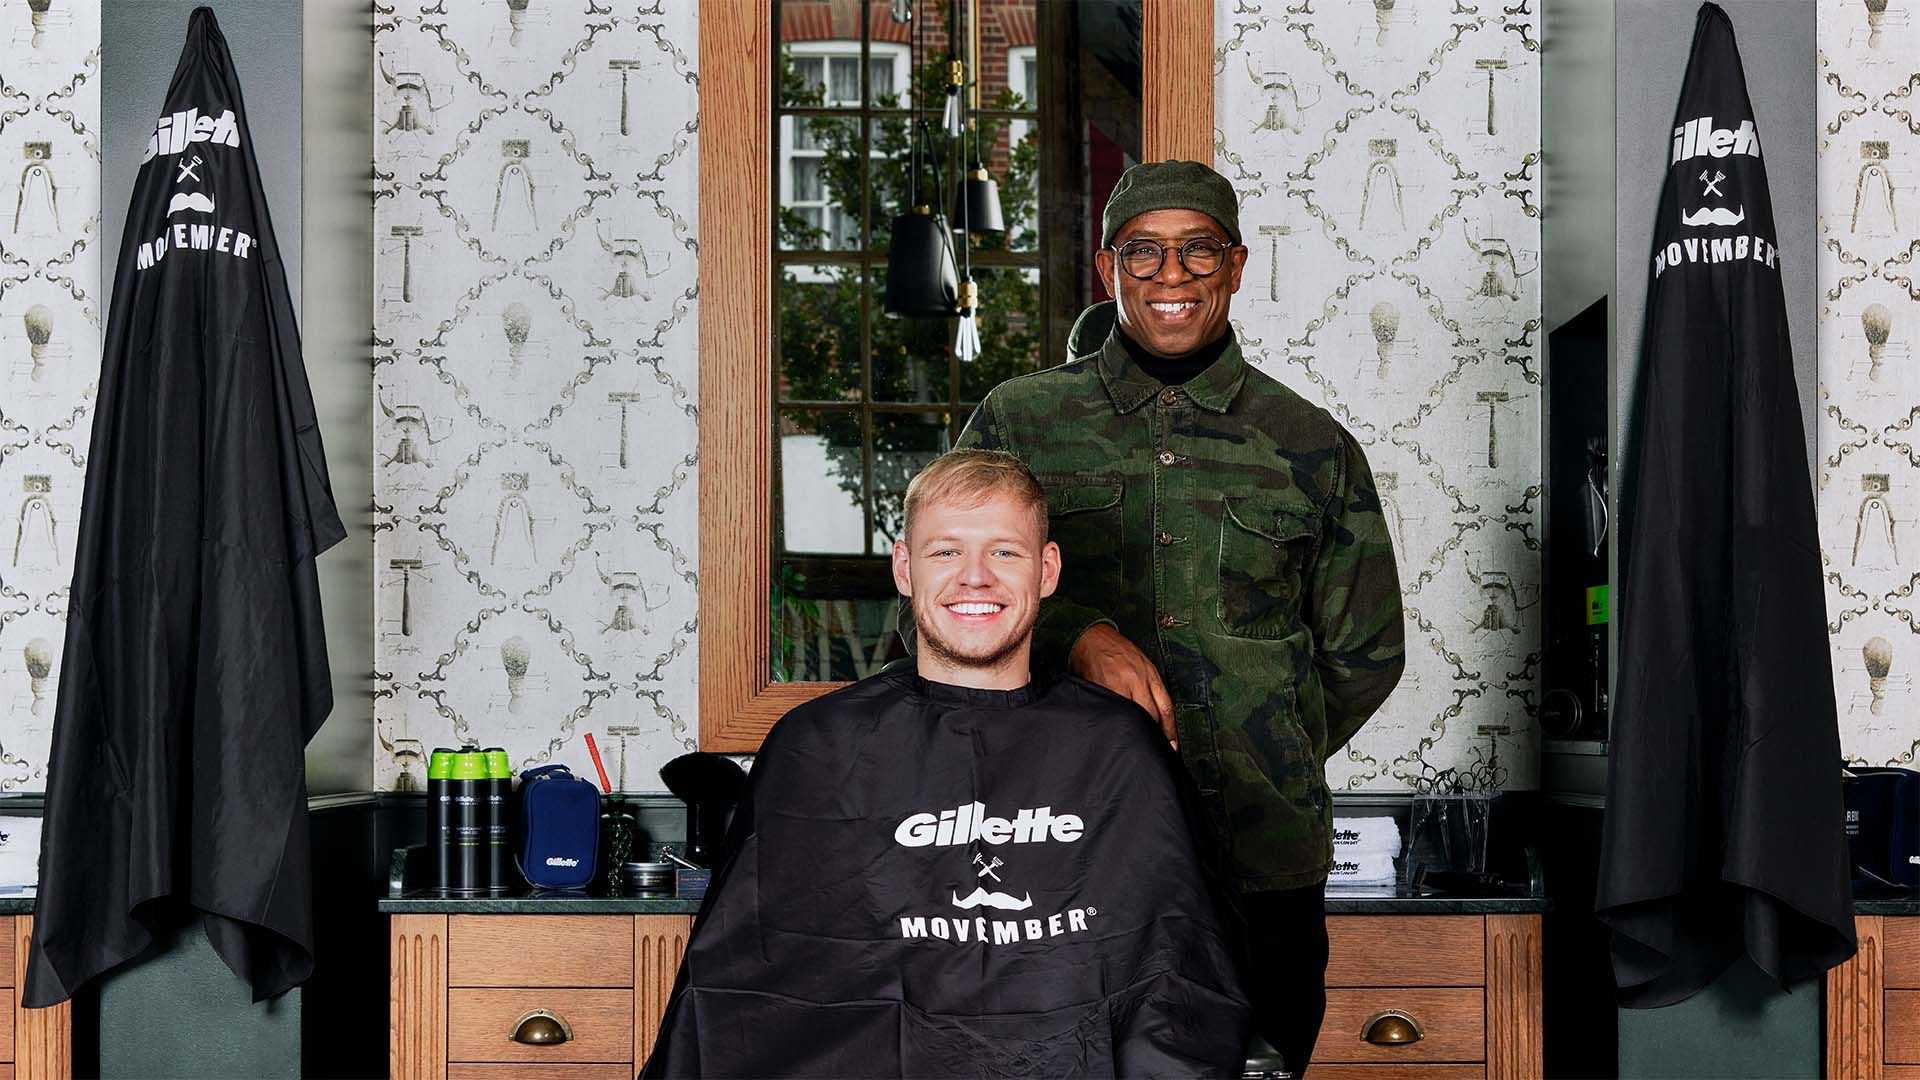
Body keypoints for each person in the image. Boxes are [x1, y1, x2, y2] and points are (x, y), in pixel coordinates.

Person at [956, 159, 1407, 1074]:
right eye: (1145, 252)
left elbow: (1363, 653)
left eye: (1198, 252)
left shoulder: (1309, 442)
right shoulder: (1022, 421)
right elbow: (939, 604)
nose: (1171, 276)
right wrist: (1076, 634)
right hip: (1057, 857)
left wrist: (1259, 742)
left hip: (1260, 862)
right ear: (1108, 268)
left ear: (1236, 266)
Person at [642, 450, 1249, 1078]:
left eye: (1005, 552)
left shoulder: (1121, 747)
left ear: (1047, 571)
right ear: (905, 568)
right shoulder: (817, 746)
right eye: (946, 552)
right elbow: (734, 1000)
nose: (975, 578)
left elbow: (1179, 980)